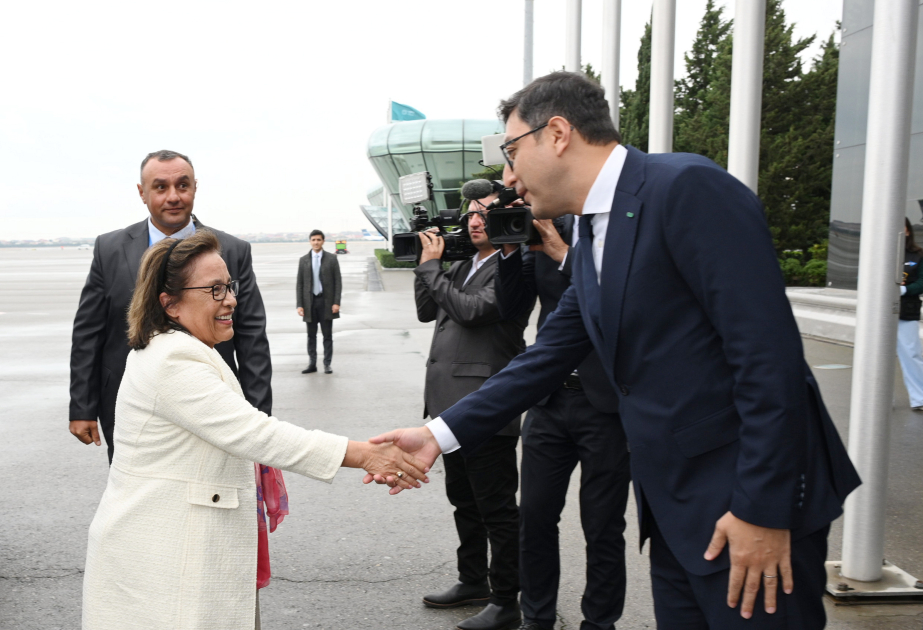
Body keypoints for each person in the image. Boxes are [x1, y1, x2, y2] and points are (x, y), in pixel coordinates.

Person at [370, 72, 861, 629]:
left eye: (511, 153)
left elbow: (769, 361)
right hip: (674, 511)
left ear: (558, 134)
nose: (509, 178)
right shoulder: (593, 229)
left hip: (745, 504)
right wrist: (437, 435)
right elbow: (548, 354)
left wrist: (763, 509)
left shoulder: (687, 189)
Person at [82, 231, 429, 630]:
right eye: (214, 289)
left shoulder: (181, 348)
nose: (231, 299)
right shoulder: (172, 360)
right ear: (170, 303)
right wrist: (367, 454)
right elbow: (257, 434)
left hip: (173, 550)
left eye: (230, 286)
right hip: (164, 559)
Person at [69, 150, 272, 462]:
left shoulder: (233, 250)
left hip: (213, 401)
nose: (173, 196)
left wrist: (259, 417)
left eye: (183, 185)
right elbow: (88, 333)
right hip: (127, 400)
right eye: (161, 187)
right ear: (142, 192)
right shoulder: (109, 250)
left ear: (195, 187)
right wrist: (82, 406)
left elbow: (252, 338)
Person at [495, 210, 630, 630]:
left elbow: (619, 296)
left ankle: (599, 622)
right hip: (549, 401)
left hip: (605, 404)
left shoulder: (607, 225)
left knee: (602, 524)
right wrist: (509, 250)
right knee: (534, 517)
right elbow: (511, 306)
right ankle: (537, 617)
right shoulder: (540, 231)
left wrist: (564, 253)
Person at [414, 192, 534, 630]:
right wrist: (424, 262)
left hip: (487, 403)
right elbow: (426, 310)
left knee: (496, 508)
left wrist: (432, 269)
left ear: (505, 217)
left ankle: (506, 600)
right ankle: (473, 580)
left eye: (486, 213)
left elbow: (471, 310)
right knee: (463, 500)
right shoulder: (462, 265)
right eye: (470, 214)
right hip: (448, 405)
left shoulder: (515, 265)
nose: (475, 221)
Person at [296, 230, 341, 374]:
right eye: (313, 240)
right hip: (309, 303)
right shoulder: (303, 260)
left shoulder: (331, 259)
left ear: (323, 241)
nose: (316, 242)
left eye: (319, 240)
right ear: (310, 241)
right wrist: (299, 304)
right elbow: (300, 284)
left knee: (327, 335)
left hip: (326, 302)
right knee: (311, 336)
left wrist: (336, 302)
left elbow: (338, 282)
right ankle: (312, 364)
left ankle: (327, 364)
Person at [898, 217, 923, 411]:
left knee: (911, 354)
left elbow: (922, 282)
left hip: (906, 311)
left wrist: (905, 290)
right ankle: (878, 399)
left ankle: (919, 399)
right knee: (876, 356)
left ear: (907, 231)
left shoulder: (918, 255)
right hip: (879, 314)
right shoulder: (878, 253)